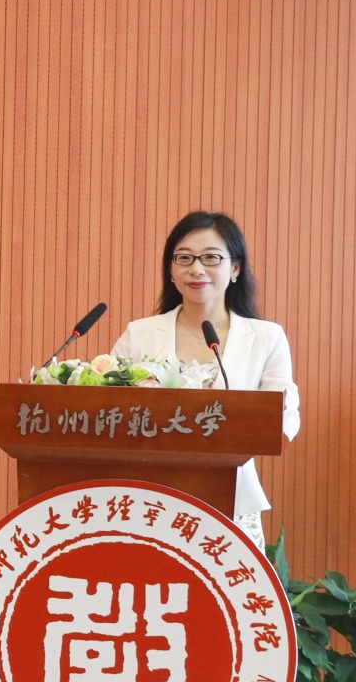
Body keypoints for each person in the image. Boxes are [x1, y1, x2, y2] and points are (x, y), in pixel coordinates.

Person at [111, 211, 299, 532]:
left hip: (232, 499)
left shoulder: (266, 338)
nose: (196, 269)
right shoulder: (139, 333)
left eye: (211, 258)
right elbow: (107, 404)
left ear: (235, 268)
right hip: (148, 499)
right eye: (184, 258)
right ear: (171, 269)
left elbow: (285, 416)